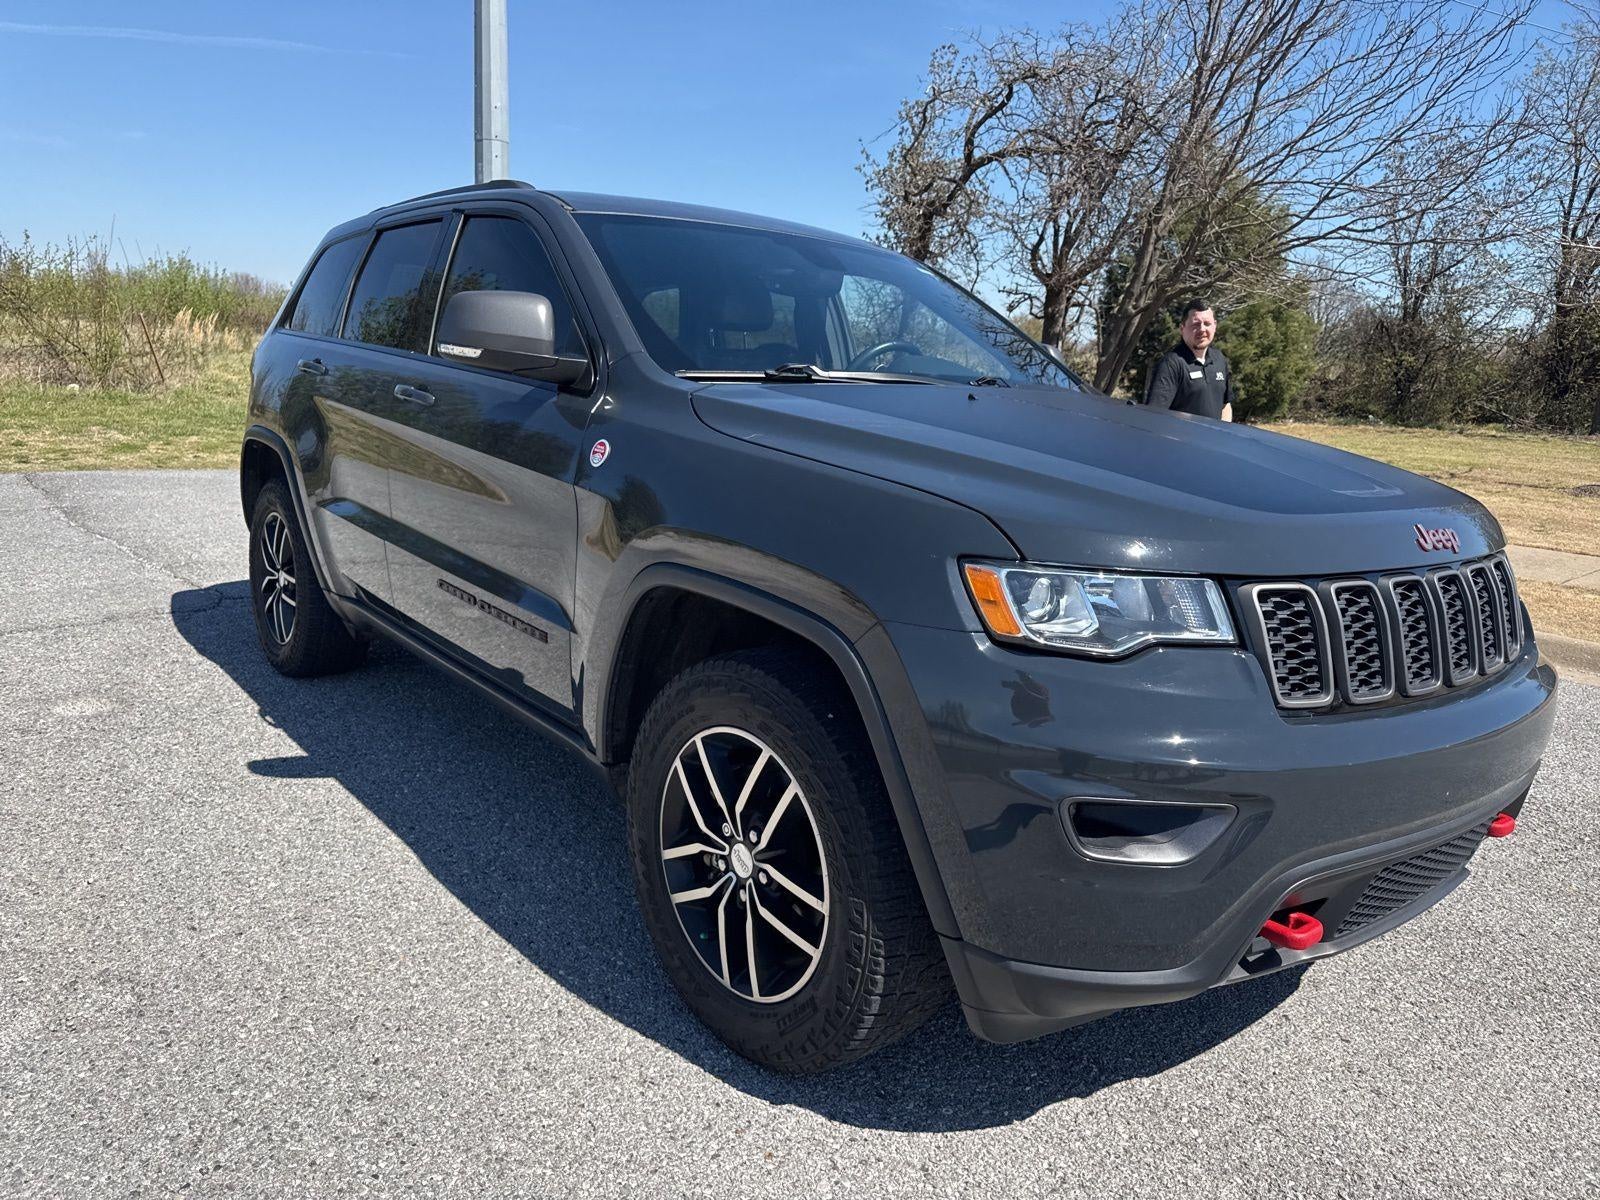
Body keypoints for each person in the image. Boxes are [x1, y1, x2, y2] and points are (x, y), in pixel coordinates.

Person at [1141, 300, 1234, 421]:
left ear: (1215, 326)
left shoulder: (1219, 359)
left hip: (1213, 439)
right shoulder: (1171, 364)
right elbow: (1156, 415)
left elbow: (1225, 404)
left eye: (1207, 324)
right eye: (1195, 324)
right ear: (1182, 328)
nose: (1202, 329)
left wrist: (1224, 433)